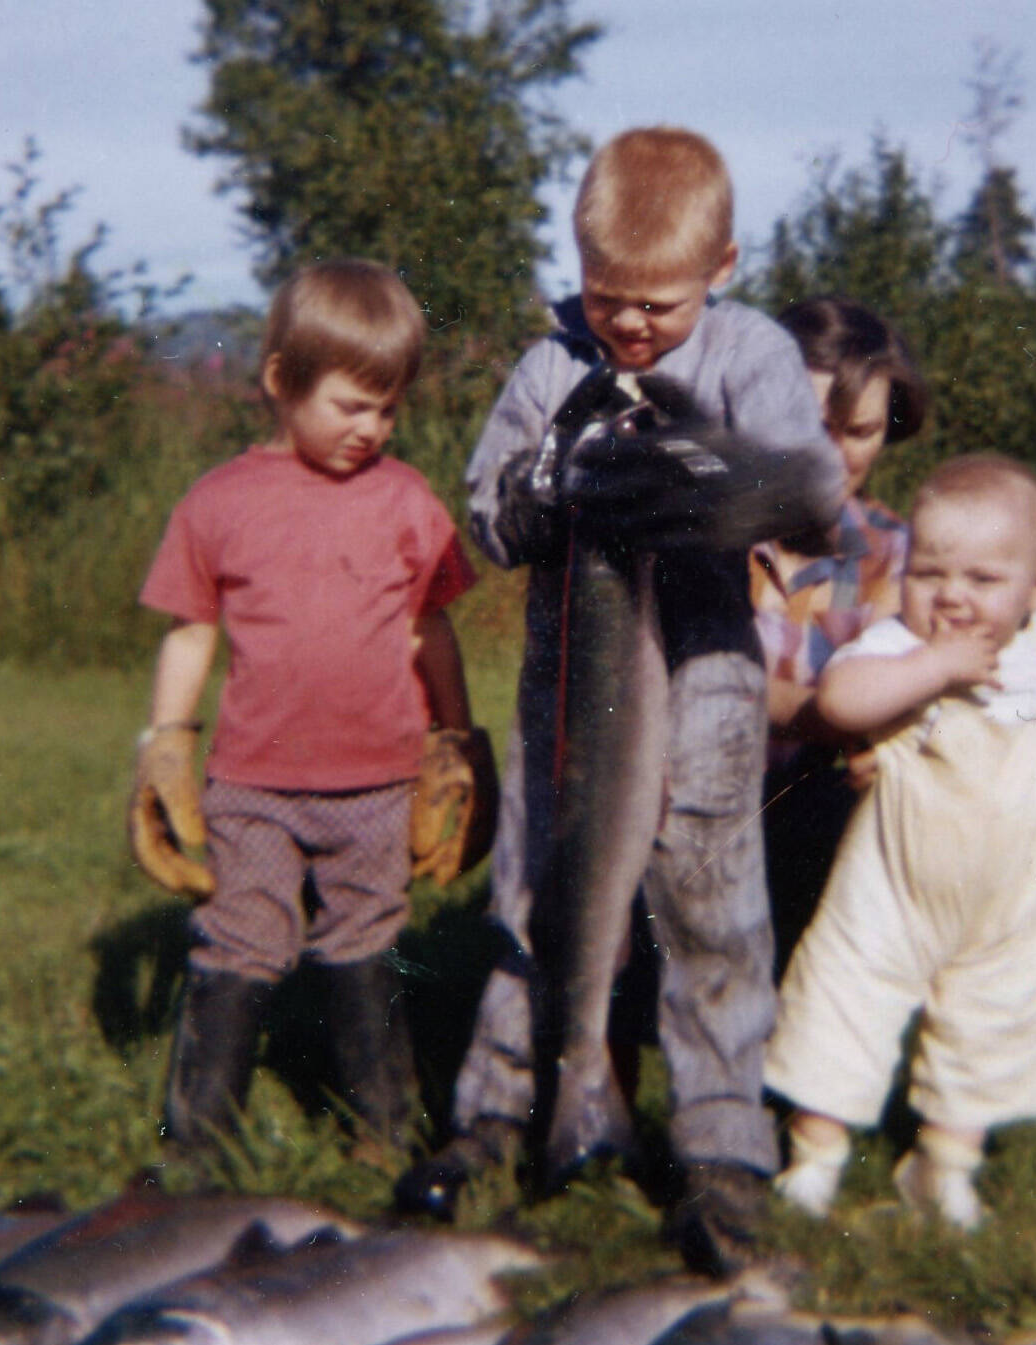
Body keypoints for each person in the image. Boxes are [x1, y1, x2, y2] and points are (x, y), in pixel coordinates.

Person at [395, 126, 845, 1274]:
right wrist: (535, 498)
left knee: (710, 913)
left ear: (724, 268)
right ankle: (504, 1111)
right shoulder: (550, 365)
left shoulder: (750, 356)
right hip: (569, 699)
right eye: (607, 298)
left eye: (658, 303)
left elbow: (814, 495)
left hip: (706, 690)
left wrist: (713, 476)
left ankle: (717, 1150)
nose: (631, 323)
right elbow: (486, 517)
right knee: (536, 894)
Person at [764, 454, 1036, 1230]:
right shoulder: (896, 645)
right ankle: (814, 1157)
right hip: (890, 888)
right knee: (841, 1001)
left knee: (991, 1020)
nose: (953, 597)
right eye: (930, 574)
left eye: (982, 580)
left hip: (999, 899)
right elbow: (841, 696)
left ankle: (944, 1163)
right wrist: (933, 665)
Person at [128, 259, 480, 1156]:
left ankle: (384, 1128)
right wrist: (166, 746)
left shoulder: (405, 502)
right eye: (350, 406)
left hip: (377, 781)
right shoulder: (219, 503)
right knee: (239, 939)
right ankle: (196, 1141)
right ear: (281, 381)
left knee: (366, 940)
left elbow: (430, 628)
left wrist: (455, 737)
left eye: (388, 408)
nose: (372, 428)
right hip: (253, 783)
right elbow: (188, 634)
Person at [752, 297, 928, 978]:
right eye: (811, 426)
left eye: (856, 432)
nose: (831, 456)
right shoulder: (705, 537)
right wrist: (840, 715)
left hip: (816, 827)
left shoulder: (898, 555)